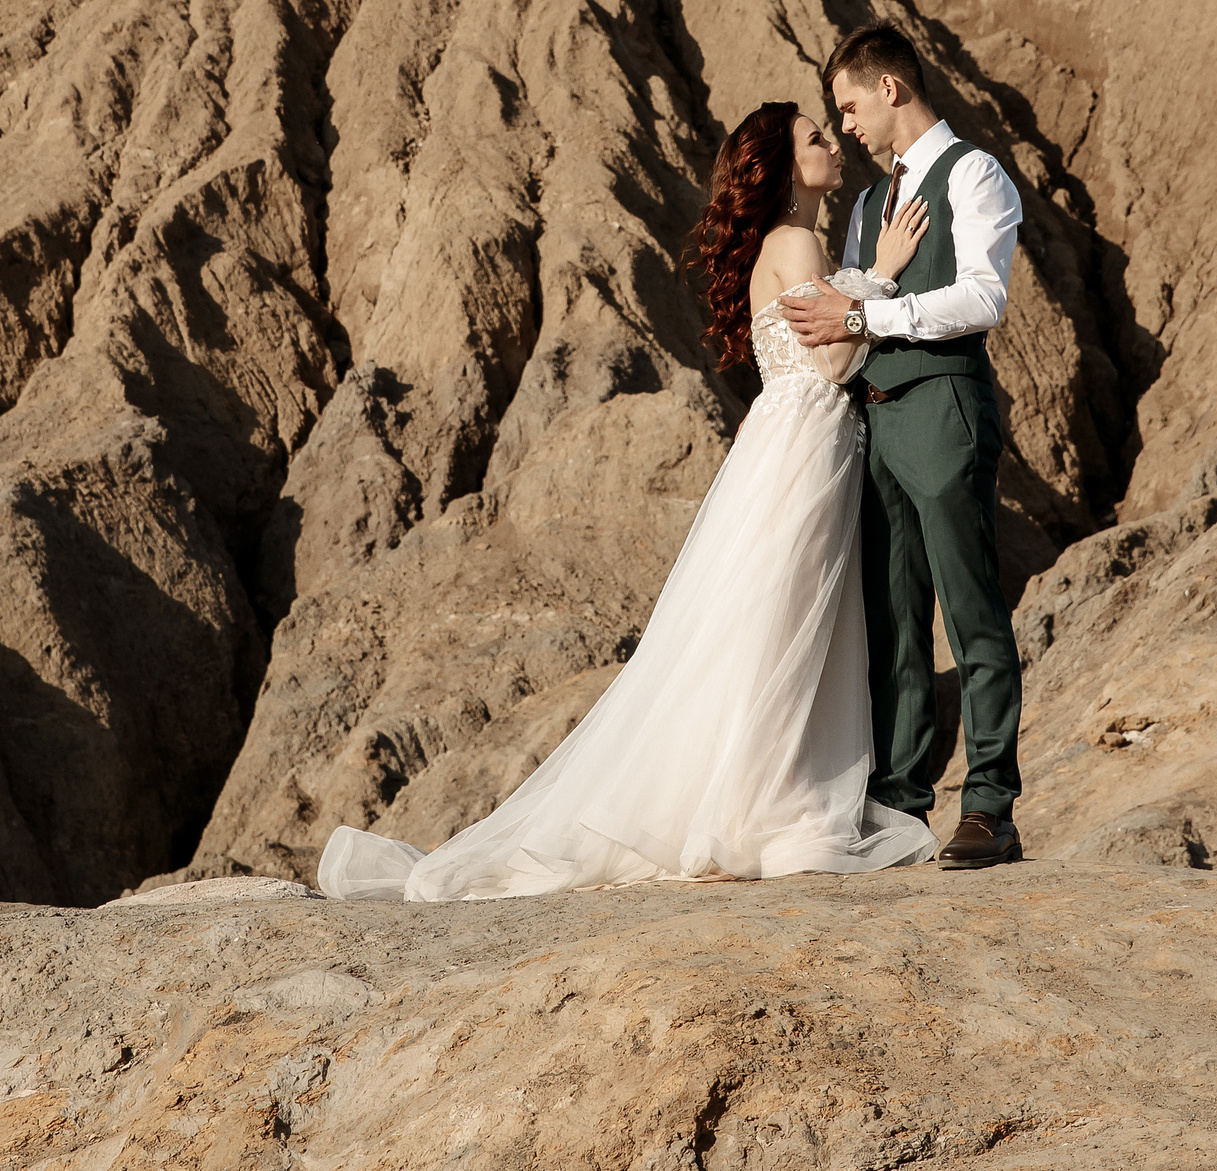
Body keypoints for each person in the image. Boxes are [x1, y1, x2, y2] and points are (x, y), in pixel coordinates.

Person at [315, 101, 941, 899]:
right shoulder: (797, 241)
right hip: (805, 446)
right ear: (786, 169)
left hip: (786, 445)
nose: (830, 143)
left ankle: (742, 794)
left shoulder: (784, 246)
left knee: (764, 622)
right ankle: (755, 804)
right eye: (815, 137)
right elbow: (829, 366)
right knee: (783, 621)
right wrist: (882, 275)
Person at [779, 23, 1027, 869]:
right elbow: (851, 309)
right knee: (893, 622)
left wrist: (864, 315)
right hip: (875, 425)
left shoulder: (976, 174)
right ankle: (901, 805)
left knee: (971, 611)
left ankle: (990, 804)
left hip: (944, 408)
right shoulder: (867, 207)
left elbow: (983, 297)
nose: (846, 125)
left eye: (850, 106)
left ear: (890, 89)